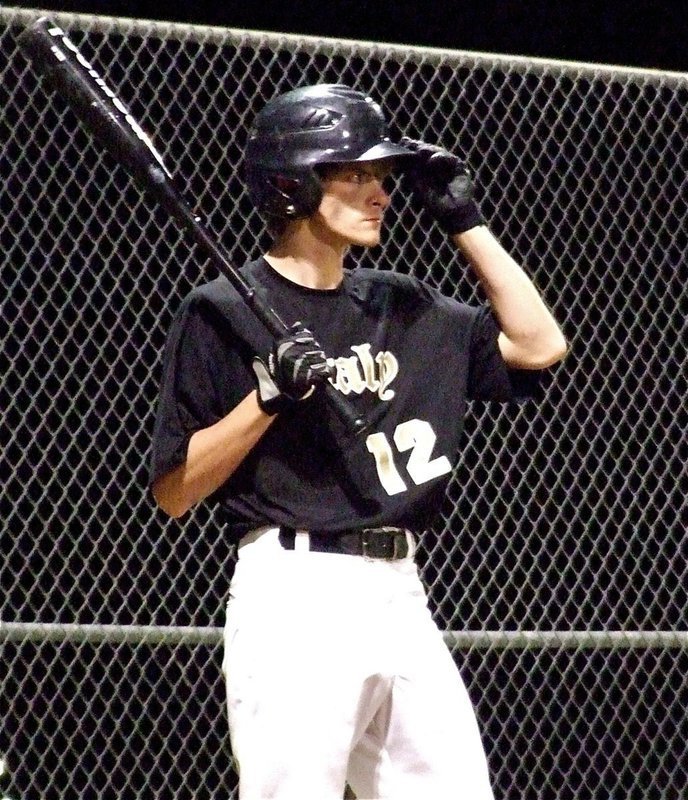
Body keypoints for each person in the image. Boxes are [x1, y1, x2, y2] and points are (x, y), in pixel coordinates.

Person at [149, 83, 567, 800]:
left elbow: (540, 344)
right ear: (294, 184)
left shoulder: (403, 303)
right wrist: (267, 398)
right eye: (355, 174)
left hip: (401, 591)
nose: (380, 192)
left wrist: (465, 221)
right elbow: (176, 491)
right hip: (297, 591)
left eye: (382, 176)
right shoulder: (221, 308)